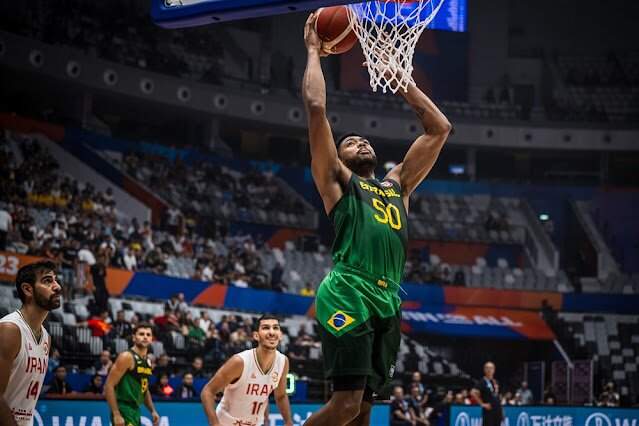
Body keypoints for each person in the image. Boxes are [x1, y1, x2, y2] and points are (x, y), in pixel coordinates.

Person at [301, 10, 451, 426]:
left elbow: (439, 129)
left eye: (363, 139)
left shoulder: (398, 185)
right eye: (350, 141)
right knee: (346, 404)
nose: (359, 141)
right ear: (340, 157)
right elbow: (316, 107)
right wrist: (314, 51)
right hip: (349, 289)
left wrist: (401, 80)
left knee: (365, 410)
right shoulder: (336, 180)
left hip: (388, 298)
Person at [200, 315, 293, 426]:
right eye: (266, 328)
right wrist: (214, 424)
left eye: (275, 328)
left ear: (281, 335)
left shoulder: (283, 361)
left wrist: (288, 421)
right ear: (256, 336)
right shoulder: (239, 362)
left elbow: (281, 395)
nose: (272, 332)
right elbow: (207, 392)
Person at [0, 260, 62, 426]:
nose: (57, 287)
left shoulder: (46, 338)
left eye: (56, 280)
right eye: (48, 281)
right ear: (28, 289)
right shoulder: (10, 329)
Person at [104, 324, 160, 426]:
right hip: (123, 408)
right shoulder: (126, 357)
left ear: (152, 339)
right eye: (141, 334)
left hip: (135, 410)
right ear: (134, 338)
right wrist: (116, 414)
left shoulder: (147, 361)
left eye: (148, 335)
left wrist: (152, 410)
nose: (145, 337)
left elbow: (144, 388)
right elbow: (109, 386)